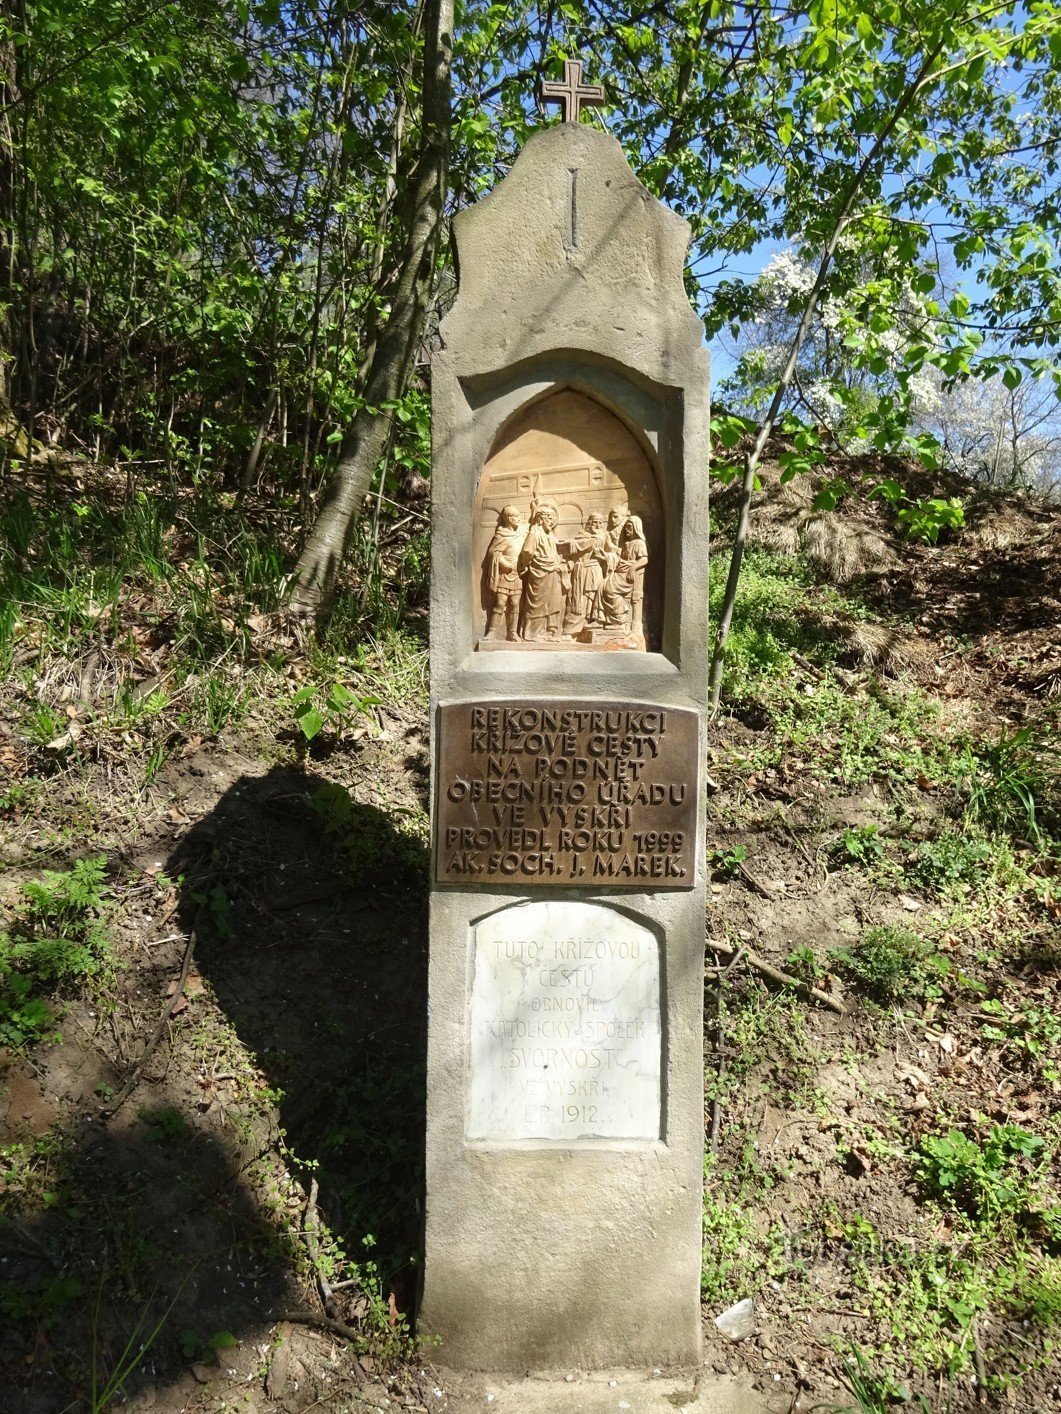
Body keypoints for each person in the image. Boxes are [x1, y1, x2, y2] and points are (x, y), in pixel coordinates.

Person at [518, 503, 565, 640]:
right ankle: (532, 634)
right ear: (540, 519)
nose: (552, 521)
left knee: (551, 602)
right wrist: (525, 565)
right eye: (549, 517)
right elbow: (527, 551)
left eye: (553, 518)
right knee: (537, 604)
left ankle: (546, 632)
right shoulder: (535, 532)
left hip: (551, 571)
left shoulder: (549, 534)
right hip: (539, 572)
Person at [600, 513, 649, 634]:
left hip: (628, 575)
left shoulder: (639, 543)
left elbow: (644, 559)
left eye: (629, 527)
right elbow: (618, 556)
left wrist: (632, 568)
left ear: (636, 528)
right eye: (626, 527)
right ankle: (606, 618)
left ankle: (619, 619)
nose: (627, 529)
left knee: (610, 589)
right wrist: (606, 556)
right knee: (602, 585)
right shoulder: (626, 544)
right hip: (621, 571)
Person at [482, 505, 525, 640]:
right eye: (514, 516)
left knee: (515, 603)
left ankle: (512, 633)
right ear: (508, 518)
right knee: (501, 602)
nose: (518, 518)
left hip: (517, 571)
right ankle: (491, 632)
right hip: (504, 572)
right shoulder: (502, 533)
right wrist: (501, 560)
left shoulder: (522, 533)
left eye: (518, 515)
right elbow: (492, 552)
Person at [562, 510, 607, 637]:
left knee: (591, 597)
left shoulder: (602, 537)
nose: (597, 525)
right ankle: (573, 630)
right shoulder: (582, 536)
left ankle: (588, 622)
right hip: (581, 571)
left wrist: (606, 557)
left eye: (600, 523)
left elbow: (612, 552)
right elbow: (576, 546)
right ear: (589, 523)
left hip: (594, 571)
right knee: (578, 600)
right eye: (595, 522)